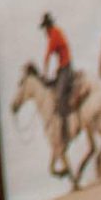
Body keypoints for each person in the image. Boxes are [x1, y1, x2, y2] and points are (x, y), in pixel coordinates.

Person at [40, 12, 77, 146]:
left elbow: (48, 55)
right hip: (63, 67)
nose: (45, 31)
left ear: (48, 26)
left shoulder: (54, 34)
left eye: (45, 27)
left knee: (60, 95)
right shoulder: (55, 33)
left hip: (66, 68)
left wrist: (44, 74)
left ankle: (66, 131)